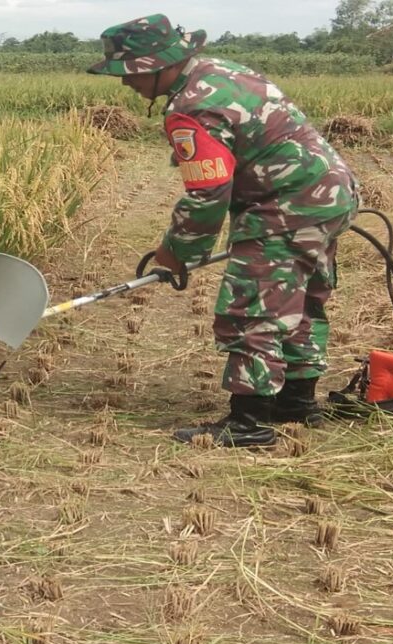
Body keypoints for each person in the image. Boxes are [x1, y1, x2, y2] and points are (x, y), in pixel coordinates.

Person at [87, 15, 360, 447]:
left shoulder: (191, 106)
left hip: (284, 204)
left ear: (158, 64)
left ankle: (250, 422)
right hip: (330, 193)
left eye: (131, 71)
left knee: (252, 306)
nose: (126, 83)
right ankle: (296, 402)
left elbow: (208, 194)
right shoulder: (223, 72)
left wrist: (176, 251)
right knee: (302, 297)